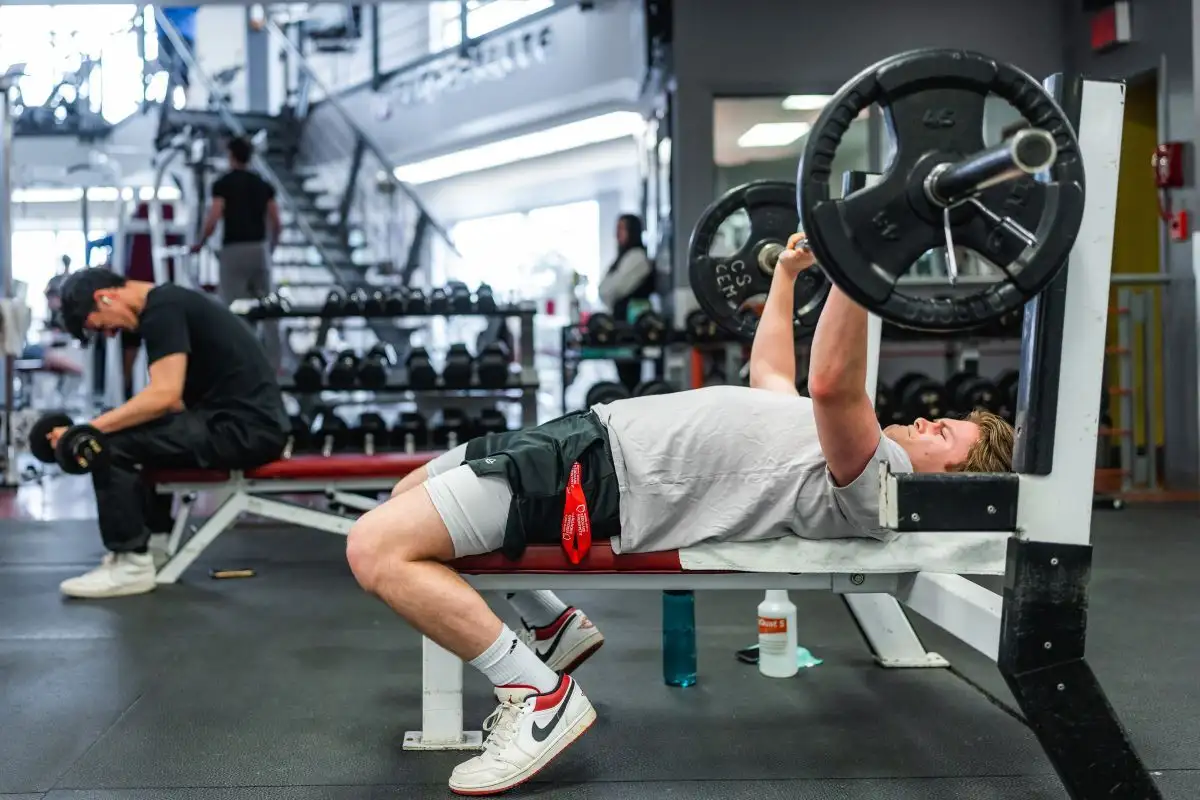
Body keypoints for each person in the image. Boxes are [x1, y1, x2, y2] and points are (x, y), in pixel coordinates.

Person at [344, 233, 1015, 795]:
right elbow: (772, 379)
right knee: (411, 490)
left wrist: (857, 262)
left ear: (949, 480)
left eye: (944, 435)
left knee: (375, 548)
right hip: (592, 436)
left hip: (605, 476)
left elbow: (834, 381)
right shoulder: (837, 448)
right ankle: (553, 625)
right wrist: (784, 276)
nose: (927, 420)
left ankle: (538, 694)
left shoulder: (875, 477)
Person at [51, 268, 289, 599]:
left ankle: (131, 565)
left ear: (105, 297)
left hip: (244, 430)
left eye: (100, 325)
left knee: (109, 444)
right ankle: (154, 545)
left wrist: (87, 429)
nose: (110, 334)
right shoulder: (169, 303)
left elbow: (165, 396)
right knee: (133, 432)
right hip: (239, 424)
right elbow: (170, 403)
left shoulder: (163, 309)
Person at [192, 136, 283, 370]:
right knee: (268, 308)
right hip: (259, 250)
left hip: (234, 250)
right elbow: (276, 221)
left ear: (231, 155)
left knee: (233, 308)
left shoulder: (223, 184)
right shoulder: (263, 184)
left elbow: (214, 217)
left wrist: (200, 242)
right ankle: (275, 364)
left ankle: (239, 364)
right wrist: (270, 248)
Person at [597, 214, 655, 391]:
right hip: (620, 325)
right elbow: (604, 289)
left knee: (630, 378)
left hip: (632, 327)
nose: (617, 234)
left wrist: (607, 290)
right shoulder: (623, 258)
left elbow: (614, 289)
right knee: (624, 376)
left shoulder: (637, 257)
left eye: (622, 229)